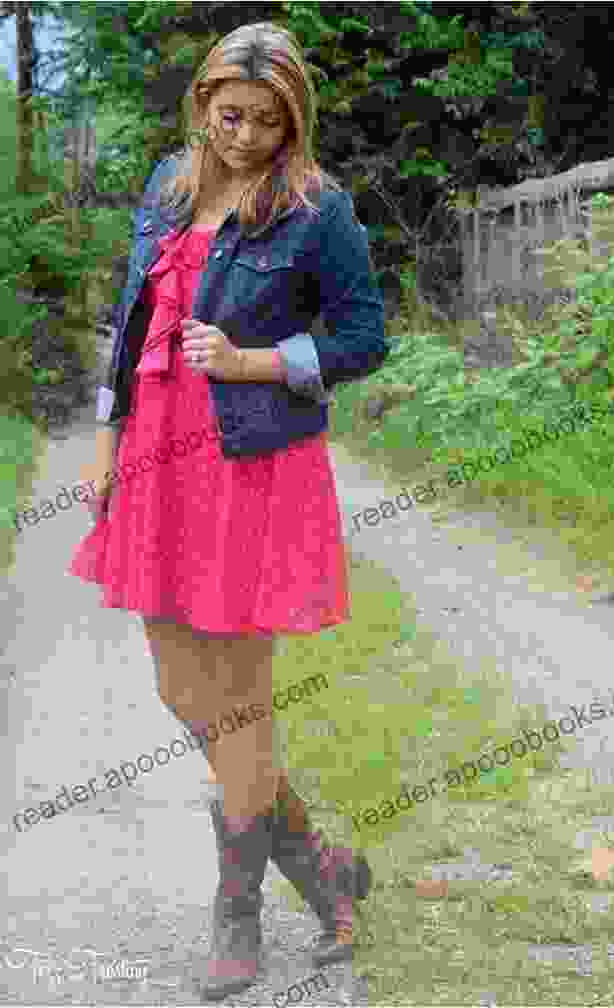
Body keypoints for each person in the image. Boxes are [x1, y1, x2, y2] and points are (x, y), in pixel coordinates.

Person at [67, 20, 388, 1002]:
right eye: (228, 114)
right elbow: (132, 327)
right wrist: (108, 439)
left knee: (242, 696)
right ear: (202, 103)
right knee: (180, 686)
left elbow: (365, 336)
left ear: (294, 119)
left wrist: (259, 361)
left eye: (264, 120)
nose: (242, 135)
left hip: (253, 461)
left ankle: (237, 919)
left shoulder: (315, 209)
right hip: (158, 462)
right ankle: (326, 873)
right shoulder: (169, 189)